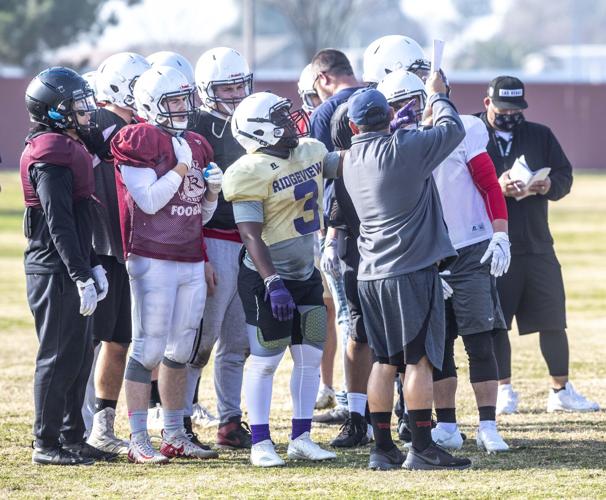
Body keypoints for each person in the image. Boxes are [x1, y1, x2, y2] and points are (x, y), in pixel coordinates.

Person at [378, 69, 511, 453]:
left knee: (479, 339)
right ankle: (449, 425)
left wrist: (500, 232)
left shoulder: (463, 128)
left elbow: (488, 183)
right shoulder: (393, 142)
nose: (405, 110)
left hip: (470, 246)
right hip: (425, 252)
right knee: (439, 345)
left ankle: (488, 423)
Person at [341, 80, 471, 471]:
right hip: (410, 271)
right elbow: (453, 129)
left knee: (384, 360)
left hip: (370, 274)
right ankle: (422, 446)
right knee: (419, 362)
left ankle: (382, 448)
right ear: (389, 117)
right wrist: (438, 94)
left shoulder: (350, 158)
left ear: (352, 128)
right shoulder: (405, 148)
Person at [323, 35, 431, 447]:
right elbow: (339, 177)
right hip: (361, 237)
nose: (418, 85)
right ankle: (356, 417)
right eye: (412, 74)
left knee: (403, 343)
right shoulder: (347, 111)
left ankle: (405, 417)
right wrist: (334, 231)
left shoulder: (414, 117)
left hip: (403, 240)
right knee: (361, 333)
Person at [111, 65, 222, 463]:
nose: (182, 107)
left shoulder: (194, 142)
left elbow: (200, 215)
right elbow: (150, 201)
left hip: (190, 255)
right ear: (148, 104)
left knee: (181, 349)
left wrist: (211, 192)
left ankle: (174, 432)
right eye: (172, 100)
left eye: (183, 98)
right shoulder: (138, 138)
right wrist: (179, 168)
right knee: (149, 346)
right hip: (150, 255)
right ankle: (139, 438)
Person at [224, 91, 341, 467]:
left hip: (306, 272)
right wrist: (272, 280)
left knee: (310, 357)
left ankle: (301, 437)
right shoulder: (248, 171)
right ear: (261, 131)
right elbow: (250, 234)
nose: (292, 123)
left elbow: (350, 163)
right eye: (281, 119)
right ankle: (260, 442)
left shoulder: (309, 150)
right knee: (265, 360)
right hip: (266, 278)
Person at [477, 76, 599, 413]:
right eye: (504, 110)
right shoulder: (472, 132)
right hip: (493, 244)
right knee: (496, 322)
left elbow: (565, 175)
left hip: (537, 241)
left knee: (552, 318)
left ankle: (560, 390)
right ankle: (503, 390)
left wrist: (547, 185)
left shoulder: (539, 134)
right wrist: (496, 186)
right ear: (488, 104)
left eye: (516, 111)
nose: (510, 116)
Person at [21, 67, 117, 465]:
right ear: (53, 110)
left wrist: (92, 264)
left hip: (72, 262)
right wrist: (80, 273)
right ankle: (46, 444)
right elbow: (58, 220)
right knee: (58, 355)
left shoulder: (66, 143)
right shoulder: (50, 151)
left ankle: (71, 436)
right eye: (77, 106)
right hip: (53, 267)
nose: (86, 112)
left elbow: (79, 220)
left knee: (79, 355)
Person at [183, 46, 254, 449]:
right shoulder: (196, 127)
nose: (235, 94)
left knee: (238, 342)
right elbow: (189, 200)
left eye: (239, 85)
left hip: (248, 243)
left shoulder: (250, 120)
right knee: (202, 340)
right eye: (226, 88)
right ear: (207, 90)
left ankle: (229, 421)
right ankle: (181, 418)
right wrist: (201, 254)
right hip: (213, 239)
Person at [80, 51, 150, 455]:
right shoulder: (101, 127)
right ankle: (78, 422)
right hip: (101, 245)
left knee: (119, 339)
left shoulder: (134, 126)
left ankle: (103, 425)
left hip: (126, 247)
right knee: (90, 340)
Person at [309, 48, 362, 423]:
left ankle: (350, 400)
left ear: (323, 79)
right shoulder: (378, 98)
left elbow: (317, 175)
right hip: (386, 224)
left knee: (348, 316)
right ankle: (396, 398)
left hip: (340, 225)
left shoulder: (325, 112)